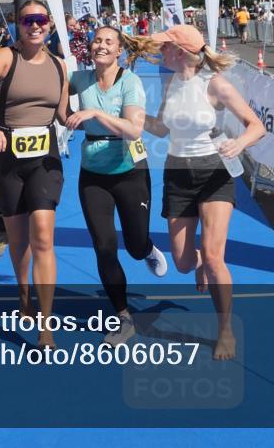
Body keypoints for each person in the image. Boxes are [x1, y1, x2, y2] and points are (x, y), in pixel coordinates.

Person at [143, 25, 265, 360]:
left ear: (179, 51)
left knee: (214, 257)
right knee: (183, 263)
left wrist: (239, 142)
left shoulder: (215, 84)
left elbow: (256, 125)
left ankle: (225, 330)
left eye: (164, 47)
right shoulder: (169, 83)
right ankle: (199, 263)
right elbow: (161, 128)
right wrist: (135, 117)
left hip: (214, 173)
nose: (160, 52)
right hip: (177, 174)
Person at [0, 0, 69, 349]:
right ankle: (23, 293)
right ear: (18, 25)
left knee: (43, 234)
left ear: (49, 24)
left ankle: (46, 326)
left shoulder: (60, 65)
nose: (34, 26)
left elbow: (64, 114)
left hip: (45, 158)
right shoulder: (5, 58)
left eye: (40, 20)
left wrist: (94, 115)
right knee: (18, 237)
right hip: (7, 156)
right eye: (27, 20)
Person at [65, 27, 168, 346]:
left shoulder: (130, 82)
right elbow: (57, 98)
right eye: (97, 40)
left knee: (135, 248)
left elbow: (134, 130)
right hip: (92, 173)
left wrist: (94, 112)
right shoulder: (79, 79)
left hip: (130, 170)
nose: (102, 45)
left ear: (120, 51)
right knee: (104, 247)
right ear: (90, 47)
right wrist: (63, 114)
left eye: (109, 41)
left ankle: (147, 248)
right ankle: (123, 316)